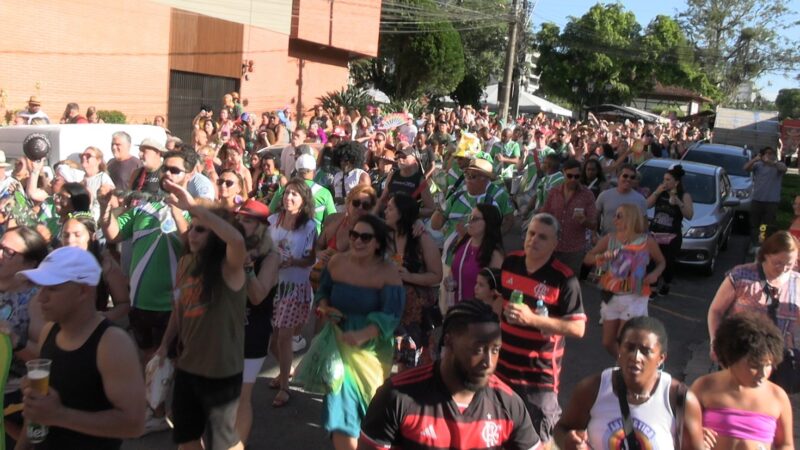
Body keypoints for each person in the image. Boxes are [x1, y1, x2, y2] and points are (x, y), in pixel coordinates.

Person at [358, 300, 541, 450]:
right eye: (478, 349)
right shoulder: (398, 396)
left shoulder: (508, 404)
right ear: (448, 341)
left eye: (495, 350)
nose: (488, 362)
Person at [17, 246, 145, 449]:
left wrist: (59, 415)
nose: (41, 297)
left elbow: (134, 424)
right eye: (41, 287)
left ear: (83, 290)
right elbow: (38, 414)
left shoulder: (112, 343)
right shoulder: (49, 331)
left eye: (52, 288)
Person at [154, 181, 248, 450]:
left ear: (216, 234)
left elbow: (237, 240)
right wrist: (164, 345)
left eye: (200, 229)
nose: (192, 234)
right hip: (188, 366)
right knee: (186, 437)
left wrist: (194, 207)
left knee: (223, 443)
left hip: (222, 371)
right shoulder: (185, 262)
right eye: (192, 227)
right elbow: (179, 309)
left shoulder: (230, 267)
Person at [314, 214, 404, 450]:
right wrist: (324, 307)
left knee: (369, 409)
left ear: (377, 243)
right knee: (340, 410)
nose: (357, 241)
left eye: (365, 237)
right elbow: (323, 291)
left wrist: (362, 335)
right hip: (338, 345)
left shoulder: (388, 272)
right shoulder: (336, 262)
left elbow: (391, 315)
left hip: (372, 351)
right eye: (354, 235)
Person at [499, 213, 587, 448]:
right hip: (501, 369)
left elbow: (578, 328)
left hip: (538, 378)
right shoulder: (511, 263)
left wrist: (533, 320)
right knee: (500, 433)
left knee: (539, 440)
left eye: (542, 237)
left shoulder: (564, 279)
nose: (534, 240)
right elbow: (498, 302)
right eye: (531, 233)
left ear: (555, 243)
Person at [553, 317, 704, 450]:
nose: (636, 357)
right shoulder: (593, 389)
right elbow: (562, 429)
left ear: (661, 358)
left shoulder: (679, 399)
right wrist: (568, 441)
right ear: (619, 349)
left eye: (645, 351)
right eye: (629, 348)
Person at [100, 150, 192, 365]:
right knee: (146, 361)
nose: (167, 174)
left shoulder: (194, 211)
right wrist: (105, 208)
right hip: (141, 301)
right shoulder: (143, 208)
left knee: (173, 364)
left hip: (174, 305)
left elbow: (191, 244)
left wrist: (176, 209)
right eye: (165, 169)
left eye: (175, 170)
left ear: (189, 175)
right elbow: (113, 234)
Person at [692, 313, 793, 450]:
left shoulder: (777, 396)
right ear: (732, 358)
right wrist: (694, 435)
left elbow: (786, 444)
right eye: (754, 366)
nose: (763, 374)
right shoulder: (704, 387)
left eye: (768, 365)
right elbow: (679, 429)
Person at [584, 204, 665, 356]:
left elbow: (661, 262)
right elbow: (588, 258)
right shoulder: (610, 239)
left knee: (624, 340)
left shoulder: (647, 242)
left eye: (619, 216)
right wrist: (601, 257)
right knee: (608, 342)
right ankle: (625, 363)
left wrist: (655, 274)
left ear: (631, 218)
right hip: (612, 295)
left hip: (635, 295)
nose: (614, 219)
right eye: (615, 215)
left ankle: (626, 367)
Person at [707, 230, 800, 364]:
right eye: (777, 263)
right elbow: (716, 311)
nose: (783, 269)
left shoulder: (797, 282)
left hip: (780, 359)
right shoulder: (741, 275)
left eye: (789, 265)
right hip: (740, 356)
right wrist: (715, 342)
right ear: (766, 255)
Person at [267, 179, 317, 407]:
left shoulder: (309, 226)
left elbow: (311, 259)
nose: (289, 197)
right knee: (273, 343)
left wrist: (293, 261)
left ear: (304, 200)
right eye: (287, 193)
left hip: (294, 287)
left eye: (295, 194)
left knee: (284, 338)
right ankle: (286, 371)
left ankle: (285, 388)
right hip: (271, 286)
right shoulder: (272, 221)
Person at [233, 200, 278, 446]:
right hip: (226, 330)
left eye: (247, 220)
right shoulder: (229, 248)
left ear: (261, 227)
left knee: (242, 395)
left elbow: (258, 296)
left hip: (253, 331)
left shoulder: (270, 257)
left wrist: (247, 268)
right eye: (239, 219)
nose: (240, 224)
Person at [385, 193, 442, 369]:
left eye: (390, 208)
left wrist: (409, 277)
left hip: (414, 315)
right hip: (387, 309)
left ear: (401, 213)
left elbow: (436, 275)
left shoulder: (421, 239)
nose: (385, 211)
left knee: (410, 363)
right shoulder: (384, 236)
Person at [431, 158, 514, 254]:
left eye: (473, 176)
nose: (468, 179)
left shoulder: (493, 202)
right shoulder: (455, 197)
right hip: (448, 258)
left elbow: (506, 223)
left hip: (476, 258)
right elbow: (435, 225)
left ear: (485, 179)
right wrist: (440, 208)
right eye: (467, 175)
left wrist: (472, 236)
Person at [60, 214, 130, 322]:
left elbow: (124, 304)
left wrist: (101, 318)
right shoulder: (55, 264)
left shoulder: (105, 265)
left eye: (77, 235)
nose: (70, 240)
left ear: (93, 236)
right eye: (65, 235)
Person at [541, 159, 598, 275]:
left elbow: (594, 224)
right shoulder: (554, 192)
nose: (573, 179)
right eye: (570, 176)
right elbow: (544, 215)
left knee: (569, 283)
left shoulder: (587, 195)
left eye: (577, 176)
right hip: (552, 246)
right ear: (563, 173)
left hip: (574, 251)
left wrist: (584, 221)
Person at [647, 164, 693, 297]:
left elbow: (689, 215)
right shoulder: (660, 192)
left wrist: (678, 201)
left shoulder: (684, 195)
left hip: (671, 236)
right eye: (664, 179)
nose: (665, 182)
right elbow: (647, 205)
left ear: (676, 182)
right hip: (655, 234)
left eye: (668, 180)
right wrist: (657, 192)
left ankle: (666, 283)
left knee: (667, 264)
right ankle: (652, 289)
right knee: (652, 261)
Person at [449, 205, 504, 305]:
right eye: (469, 217)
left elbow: (498, 292)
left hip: (478, 311)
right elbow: (453, 271)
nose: (470, 222)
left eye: (475, 219)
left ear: (488, 222)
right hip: (457, 308)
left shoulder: (494, 254)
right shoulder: (463, 244)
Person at [269, 154, 336, 235]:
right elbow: (332, 221)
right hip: (313, 240)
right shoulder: (324, 193)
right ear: (314, 172)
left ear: (297, 172)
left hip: (286, 238)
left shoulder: (286, 189)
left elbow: (270, 211)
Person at [745, 146, 787, 251]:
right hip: (757, 199)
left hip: (771, 201)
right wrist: (755, 159)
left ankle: (763, 245)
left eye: (771, 153)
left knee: (766, 225)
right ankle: (755, 244)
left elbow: (784, 169)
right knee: (755, 224)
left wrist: (771, 162)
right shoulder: (758, 165)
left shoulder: (778, 165)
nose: (769, 155)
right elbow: (746, 168)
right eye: (767, 153)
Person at [376, 145, 435, 218]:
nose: (400, 159)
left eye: (404, 157)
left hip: (407, 222)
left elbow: (431, 209)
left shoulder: (420, 180)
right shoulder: (392, 175)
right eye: (398, 157)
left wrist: (408, 211)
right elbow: (382, 199)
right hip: (388, 219)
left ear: (414, 159)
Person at [595, 164, 647, 235]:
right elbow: (595, 217)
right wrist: (594, 234)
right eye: (625, 176)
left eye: (632, 177)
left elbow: (644, 225)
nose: (628, 179)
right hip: (607, 238)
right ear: (618, 176)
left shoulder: (640, 199)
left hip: (630, 240)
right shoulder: (604, 195)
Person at [79, 146, 116, 222]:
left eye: (88, 156)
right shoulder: (79, 178)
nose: (84, 157)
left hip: (97, 222)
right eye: (82, 155)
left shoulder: (103, 178)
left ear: (98, 160)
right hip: (81, 219)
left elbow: (114, 203)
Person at [332, 141, 371, 208]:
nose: (343, 163)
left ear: (353, 160)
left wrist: (344, 200)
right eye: (341, 160)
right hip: (337, 211)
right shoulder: (337, 176)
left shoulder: (361, 175)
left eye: (346, 160)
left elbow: (365, 198)